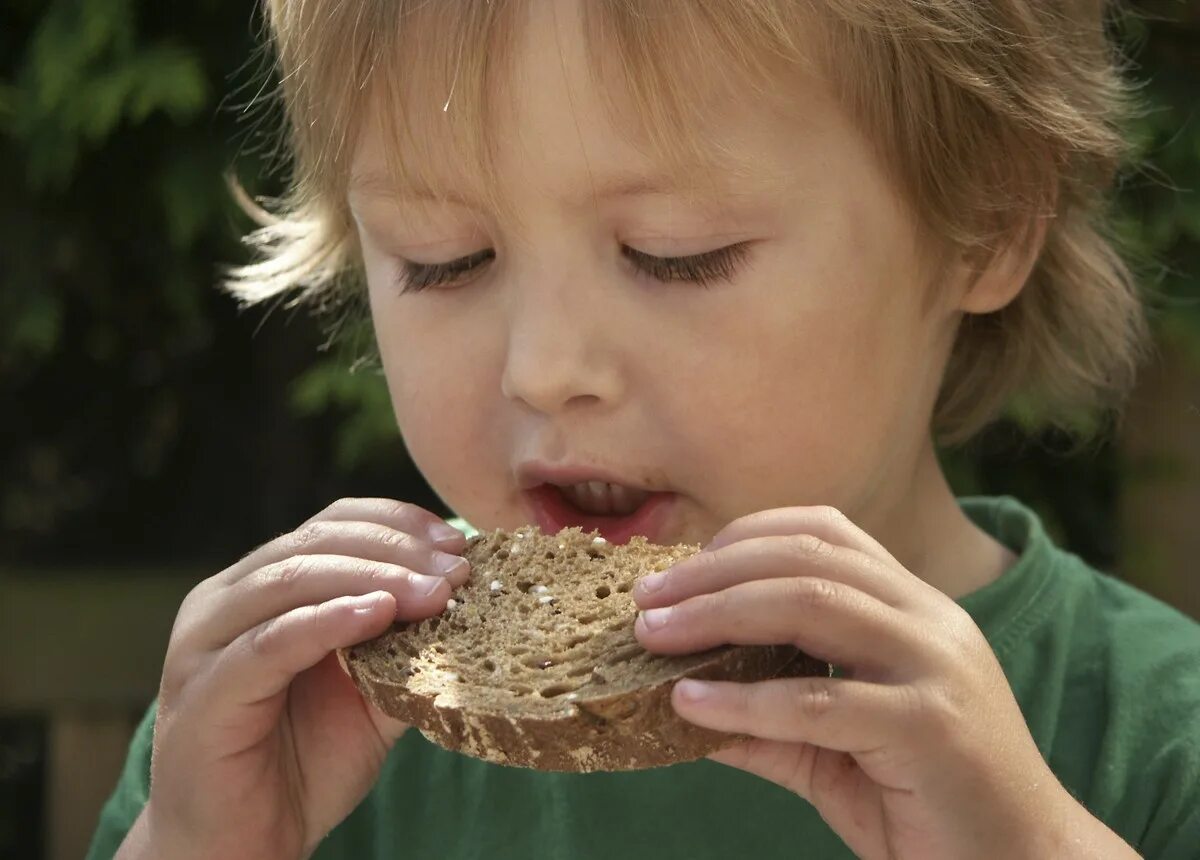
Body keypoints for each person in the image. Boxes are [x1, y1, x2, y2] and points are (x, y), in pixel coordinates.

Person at [88, 1, 1199, 858]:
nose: (546, 370)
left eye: (678, 253)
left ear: (987, 224)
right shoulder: (283, 737)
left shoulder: (1154, 738)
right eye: (441, 259)